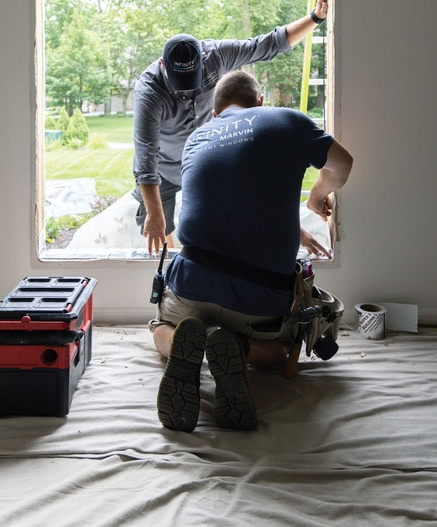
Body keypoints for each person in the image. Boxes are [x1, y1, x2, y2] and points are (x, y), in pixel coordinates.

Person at [150, 69, 353, 432]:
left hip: (192, 285)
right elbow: (342, 164)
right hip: (258, 303)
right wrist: (316, 196)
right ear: (260, 101)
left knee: (160, 325)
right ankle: (238, 348)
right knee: (280, 351)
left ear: (215, 113)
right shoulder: (287, 120)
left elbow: (225, 204)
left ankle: (180, 340)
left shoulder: (196, 138)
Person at [132, 0, 330, 254]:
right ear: (163, 66)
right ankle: (171, 274)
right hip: (163, 169)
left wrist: (316, 17)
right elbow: (145, 157)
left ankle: (292, 235)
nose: (188, 90)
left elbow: (267, 44)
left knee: (236, 205)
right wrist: (154, 215)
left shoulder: (217, 54)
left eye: (194, 79)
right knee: (157, 230)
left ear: (203, 58)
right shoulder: (148, 91)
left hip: (204, 158)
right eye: (180, 82)